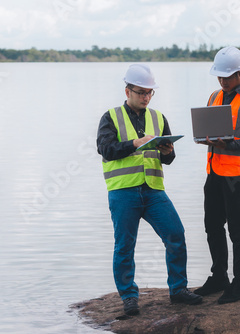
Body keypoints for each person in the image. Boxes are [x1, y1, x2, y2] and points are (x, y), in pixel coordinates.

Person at [97, 64, 202, 316]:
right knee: (124, 246)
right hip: (123, 191)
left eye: (149, 93)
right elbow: (106, 149)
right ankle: (129, 297)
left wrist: (168, 152)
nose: (146, 97)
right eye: (141, 92)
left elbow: (168, 159)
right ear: (127, 91)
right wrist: (135, 143)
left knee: (176, 235)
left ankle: (178, 290)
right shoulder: (110, 117)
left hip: (154, 190)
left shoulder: (158, 117)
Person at [194, 46, 240, 304]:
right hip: (214, 172)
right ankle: (219, 277)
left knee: (238, 230)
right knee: (212, 226)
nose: (223, 81)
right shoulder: (214, 96)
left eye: (227, 76)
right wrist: (204, 139)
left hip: (239, 176)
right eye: (220, 76)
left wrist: (230, 145)